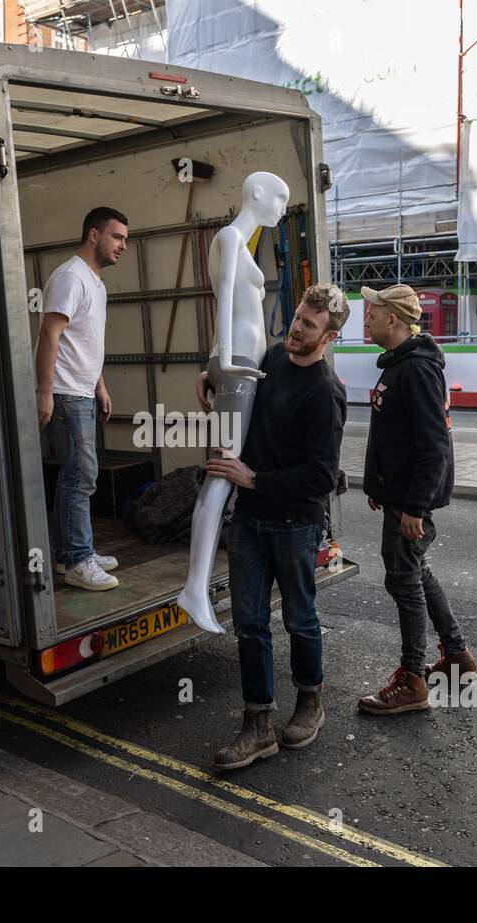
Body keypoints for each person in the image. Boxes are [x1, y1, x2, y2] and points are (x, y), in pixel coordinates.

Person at [196, 283, 349, 770]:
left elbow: (321, 476)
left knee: (299, 619)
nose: (296, 329)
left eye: (308, 325)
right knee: (250, 624)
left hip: (295, 524)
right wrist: (211, 382)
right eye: (298, 317)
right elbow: (241, 392)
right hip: (251, 520)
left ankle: (310, 700)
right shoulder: (273, 359)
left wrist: (253, 478)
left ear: (328, 337)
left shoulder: (326, 393)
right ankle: (257, 725)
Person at [355, 284, 477, 716]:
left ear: (392, 319)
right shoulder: (399, 365)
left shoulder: (417, 369)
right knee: (414, 572)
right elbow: (397, 439)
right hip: (400, 497)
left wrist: (415, 508)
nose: (364, 320)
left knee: (403, 581)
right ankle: (458, 658)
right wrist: (383, 487)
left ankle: (412, 681)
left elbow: (433, 446)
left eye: (371, 314)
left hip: (411, 504)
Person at [176, 172, 287, 635]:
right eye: (279, 196)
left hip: (239, 363)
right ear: (256, 194)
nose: (283, 205)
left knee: (227, 469)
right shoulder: (229, 236)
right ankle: (194, 588)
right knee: (223, 471)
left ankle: (198, 586)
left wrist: (213, 365)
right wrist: (224, 362)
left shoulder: (241, 241)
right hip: (239, 362)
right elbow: (221, 305)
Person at [35, 207, 128, 592]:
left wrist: (100, 386)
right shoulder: (71, 277)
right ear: (94, 235)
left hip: (83, 390)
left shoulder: (96, 283)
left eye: (125, 238)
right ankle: (77, 557)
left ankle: (69, 553)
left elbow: (85, 341)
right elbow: (49, 335)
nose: (123, 245)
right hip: (65, 393)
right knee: (80, 474)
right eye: (117, 237)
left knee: (78, 474)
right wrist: (44, 392)